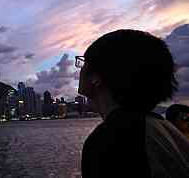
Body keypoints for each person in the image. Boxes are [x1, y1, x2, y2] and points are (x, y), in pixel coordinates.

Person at [76, 29, 189, 178]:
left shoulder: (112, 140)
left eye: (83, 63)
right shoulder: (163, 127)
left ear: (97, 77)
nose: (80, 69)